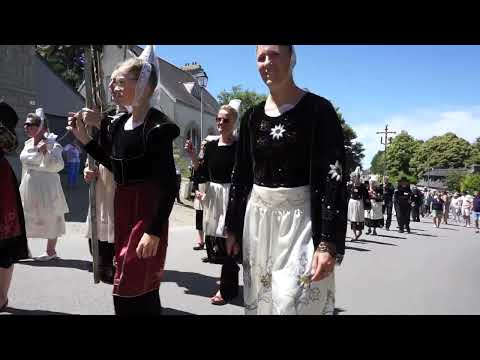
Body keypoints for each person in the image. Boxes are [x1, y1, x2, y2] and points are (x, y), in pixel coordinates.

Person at [224, 45, 347, 315]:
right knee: (263, 303)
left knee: (294, 303)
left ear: (292, 58)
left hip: (302, 220)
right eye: (260, 57)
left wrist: (327, 241)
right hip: (259, 222)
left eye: (274, 54)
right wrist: (232, 225)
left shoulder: (318, 110)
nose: (267, 62)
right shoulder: (251, 118)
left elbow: (334, 177)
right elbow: (241, 173)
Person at [68, 46, 180, 315]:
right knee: (128, 284)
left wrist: (153, 230)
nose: (113, 87)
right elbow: (117, 168)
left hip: (146, 210)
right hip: (123, 208)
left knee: (136, 284)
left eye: (120, 82)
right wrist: (85, 141)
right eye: (112, 82)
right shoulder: (120, 124)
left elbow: (169, 184)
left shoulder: (157, 128)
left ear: (143, 85)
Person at [185, 100, 242, 305]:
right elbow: (202, 172)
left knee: (229, 241)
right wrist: (193, 157)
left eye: (225, 120)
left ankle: (226, 290)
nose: (220, 123)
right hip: (214, 197)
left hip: (233, 197)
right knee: (218, 243)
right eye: (218, 119)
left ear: (234, 122)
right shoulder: (209, 146)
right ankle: (231, 278)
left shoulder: (240, 147)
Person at [19, 109, 69, 261]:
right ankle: (23, 250)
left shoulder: (53, 144)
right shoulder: (27, 144)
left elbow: (57, 166)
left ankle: (50, 251)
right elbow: (25, 164)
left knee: (51, 216)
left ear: (41, 126)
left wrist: (46, 152)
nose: (26, 127)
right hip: (29, 185)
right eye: (25, 124)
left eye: (30, 124)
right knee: (25, 216)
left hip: (47, 187)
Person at [83, 106, 123, 285]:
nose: (114, 87)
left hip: (120, 180)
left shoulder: (135, 118)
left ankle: (115, 264)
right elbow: (93, 151)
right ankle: (103, 262)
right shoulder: (105, 116)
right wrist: (88, 169)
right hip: (101, 181)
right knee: (99, 224)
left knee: (115, 221)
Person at [0, 102, 29, 312]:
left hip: (1, 183)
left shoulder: (3, 112)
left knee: (4, 246)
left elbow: (11, 144)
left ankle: (1, 298)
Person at [191, 140, 208, 251]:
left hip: (209, 190)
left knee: (209, 219)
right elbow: (194, 178)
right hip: (199, 191)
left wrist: (207, 193)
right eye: (201, 145)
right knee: (199, 218)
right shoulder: (197, 161)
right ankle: (201, 241)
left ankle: (210, 243)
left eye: (205, 145)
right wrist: (196, 190)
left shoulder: (212, 160)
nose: (203, 148)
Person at [347, 167, 369, 241]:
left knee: (359, 218)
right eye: (354, 177)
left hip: (359, 203)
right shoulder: (350, 185)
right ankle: (354, 234)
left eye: (356, 177)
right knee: (353, 218)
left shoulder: (362, 186)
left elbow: (366, 196)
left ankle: (359, 232)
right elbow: (346, 194)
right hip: (352, 202)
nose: (354, 179)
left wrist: (368, 206)